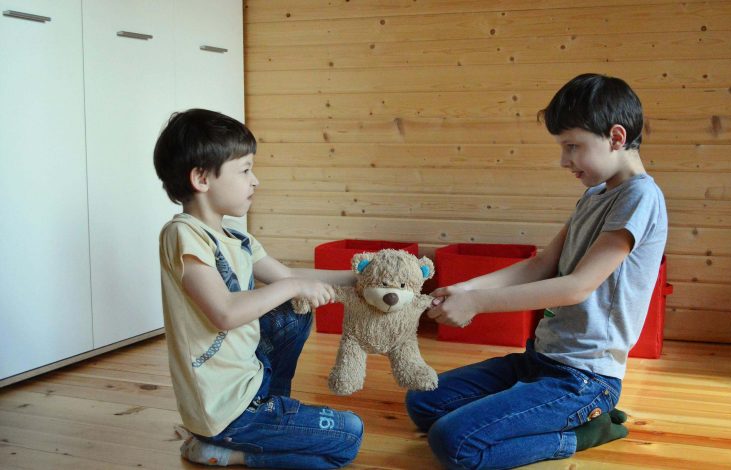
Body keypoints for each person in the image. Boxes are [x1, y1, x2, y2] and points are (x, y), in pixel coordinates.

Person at [406, 73, 668, 469]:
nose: (565, 160)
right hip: (539, 360)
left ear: (616, 137)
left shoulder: (641, 196)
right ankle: (525, 411)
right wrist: (462, 288)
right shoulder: (594, 196)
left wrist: (477, 303)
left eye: (573, 146)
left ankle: (582, 432)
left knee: (454, 443)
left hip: (584, 380)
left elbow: (577, 286)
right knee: (422, 400)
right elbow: (541, 265)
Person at [153, 109, 363, 468]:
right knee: (348, 436)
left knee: (293, 313)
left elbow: (288, 277)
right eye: (245, 170)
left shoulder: (236, 236)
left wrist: (360, 280)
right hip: (222, 410)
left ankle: (270, 410)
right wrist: (295, 285)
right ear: (202, 178)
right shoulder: (183, 234)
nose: (256, 181)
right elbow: (224, 313)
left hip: (251, 382)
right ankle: (227, 450)